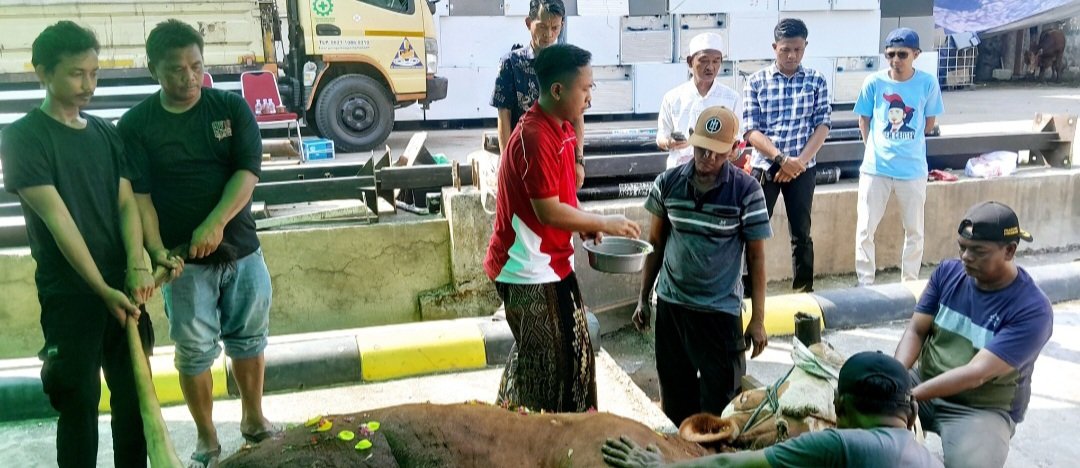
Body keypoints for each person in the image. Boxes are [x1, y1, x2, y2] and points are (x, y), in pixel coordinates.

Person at [117, 20, 277, 467]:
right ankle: (207, 439)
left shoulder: (229, 109)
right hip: (182, 266)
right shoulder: (137, 125)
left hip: (242, 251)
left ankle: (254, 420)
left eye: (196, 66)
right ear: (153, 69)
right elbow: (140, 199)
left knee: (250, 340)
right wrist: (155, 251)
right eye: (176, 69)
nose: (189, 78)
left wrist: (215, 222)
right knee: (193, 352)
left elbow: (247, 172)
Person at [0, 21, 158, 468]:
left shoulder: (106, 132)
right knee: (78, 403)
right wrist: (101, 289)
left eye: (94, 73)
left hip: (123, 289)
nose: (88, 84)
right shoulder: (23, 137)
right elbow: (58, 220)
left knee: (133, 403)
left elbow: (126, 203)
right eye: (76, 74)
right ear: (42, 73)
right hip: (70, 296)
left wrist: (136, 263)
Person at [483, 43, 641, 413]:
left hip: (553, 264)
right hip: (526, 270)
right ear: (557, 90)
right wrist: (603, 222)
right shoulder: (534, 136)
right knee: (549, 374)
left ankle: (510, 421)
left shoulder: (562, 130)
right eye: (585, 89)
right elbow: (548, 211)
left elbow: (563, 198)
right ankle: (531, 434)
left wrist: (583, 223)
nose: (590, 98)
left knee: (571, 356)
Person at [634, 106, 770, 428]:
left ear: (734, 149)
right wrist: (643, 298)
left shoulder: (746, 191)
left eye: (717, 152)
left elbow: (756, 259)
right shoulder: (667, 184)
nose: (707, 157)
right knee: (675, 404)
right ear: (692, 140)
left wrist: (758, 319)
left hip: (719, 314)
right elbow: (655, 243)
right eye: (701, 148)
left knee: (718, 413)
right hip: (673, 309)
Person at [894, 201, 1053, 468]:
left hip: (980, 408)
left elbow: (976, 373)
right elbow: (916, 330)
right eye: (962, 247)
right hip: (925, 380)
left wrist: (909, 396)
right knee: (857, 399)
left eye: (978, 251)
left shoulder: (1032, 309)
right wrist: (894, 377)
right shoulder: (947, 273)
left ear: (1010, 251)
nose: (966, 257)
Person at [601, 351, 943, 468]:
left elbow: (730, 464)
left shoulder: (840, 445)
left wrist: (663, 465)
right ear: (912, 414)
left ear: (838, 406)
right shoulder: (932, 460)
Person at [742, 18, 831, 294]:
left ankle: (803, 292)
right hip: (765, 168)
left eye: (798, 49)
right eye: (785, 50)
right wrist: (781, 160)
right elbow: (750, 130)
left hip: (803, 169)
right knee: (753, 231)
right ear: (774, 48)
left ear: (805, 46)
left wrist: (798, 163)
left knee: (801, 232)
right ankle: (747, 294)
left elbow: (822, 125)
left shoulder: (816, 80)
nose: (792, 55)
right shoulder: (756, 82)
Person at [853, 28, 944, 286]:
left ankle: (910, 282)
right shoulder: (873, 82)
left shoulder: (928, 83)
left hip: (912, 169)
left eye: (902, 54)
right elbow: (864, 119)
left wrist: (907, 143)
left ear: (916, 54)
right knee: (865, 229)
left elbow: (928, 123)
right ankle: (865, 283)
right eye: (890, 54)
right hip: (875, 168)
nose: (896, 60)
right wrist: (873, 148)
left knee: (914, 230)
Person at [490, 0, 585, 187]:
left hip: (561, 159)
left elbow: (577, 116)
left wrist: (579, 160)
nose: (548, 35)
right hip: (524, 158)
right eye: (542, 27)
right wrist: (506, 160)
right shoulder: (511, 64)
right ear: (528, 23)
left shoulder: (569, 65)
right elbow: (504, 114)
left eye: (555, 28)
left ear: (562, 25)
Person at [656, 33, 742, 169]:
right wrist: (669, 142)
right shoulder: (673, 97)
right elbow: (661, 136)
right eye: (704, 60)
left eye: (716, 61)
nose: (710, 67)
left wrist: (733, 151)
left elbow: (739, 140)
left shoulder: (732, 98)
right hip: (680, 170)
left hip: (716, 172)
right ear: (690, 61)